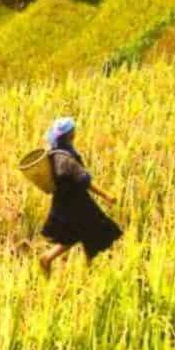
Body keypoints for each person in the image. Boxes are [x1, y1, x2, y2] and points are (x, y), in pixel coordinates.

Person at [37, 116, 122, 274]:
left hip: (66, 202)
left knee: (81, 234)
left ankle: (88, 268)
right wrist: (106, 196)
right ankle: (48, 258)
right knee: (96, 231)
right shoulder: (66, 160)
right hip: (77, 203)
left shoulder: (55, 153)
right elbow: (85, 181)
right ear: (69, 136)